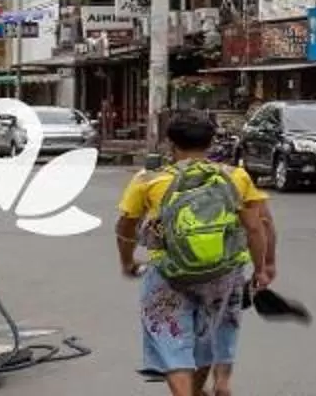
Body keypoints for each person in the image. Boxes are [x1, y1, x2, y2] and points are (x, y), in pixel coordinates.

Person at [115, 108, 276, 396]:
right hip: (223, 274)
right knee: (208, 336)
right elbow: (256, 227)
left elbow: (125, 227)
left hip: (168, 275)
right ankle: (204, 389)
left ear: (170, 143)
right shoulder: (236, 177)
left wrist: (127, 261)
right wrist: (262, 268)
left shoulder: (148, 180)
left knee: (170, 340)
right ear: (211, 142)